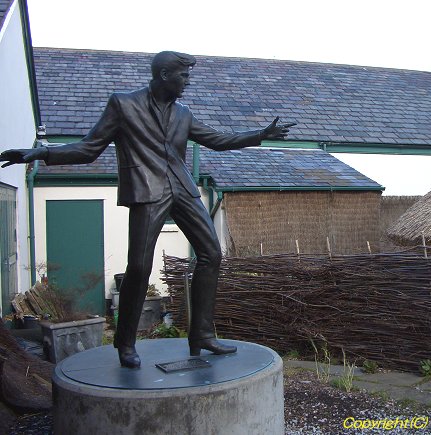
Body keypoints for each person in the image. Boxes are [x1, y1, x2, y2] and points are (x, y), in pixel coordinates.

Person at [1, 51, 295, 368]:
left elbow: (217, 140)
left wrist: (260, 135)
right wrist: (39, 152)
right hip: (147, 191)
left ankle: (203, 335)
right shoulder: (123, 105)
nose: (188, 81)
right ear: (165, 75)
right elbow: (88, 149)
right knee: (139, 268)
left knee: (212, 254)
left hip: (182, 190)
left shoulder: (183, 113)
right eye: (184, 75)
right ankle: (125, 341)